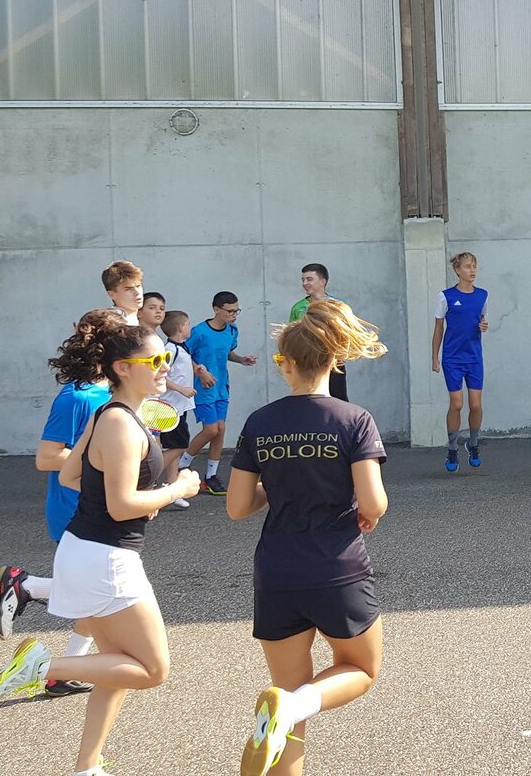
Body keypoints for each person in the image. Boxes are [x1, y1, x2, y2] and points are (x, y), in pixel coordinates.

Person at [0, 319, 200, 776]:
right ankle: (40, 668)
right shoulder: (119, 422)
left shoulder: (109, 414)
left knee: (116, 666)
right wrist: (176, 489)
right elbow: (121, 506)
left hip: (86, 550)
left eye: (166, 357)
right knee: (152, 669)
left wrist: (137, 498)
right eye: (155, 360)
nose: (165, 366)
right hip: (107, 559)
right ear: (122, 367)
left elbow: (70, 475)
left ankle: (87, 766)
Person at [226, 299, 388, 776]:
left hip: (276, 569)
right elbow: (374, 502)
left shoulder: (260, 422)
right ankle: (294, 706)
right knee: (359, 670)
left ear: (287, 365)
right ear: (334, 359)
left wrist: (280, 483)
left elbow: (237, 506)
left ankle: (288, 710)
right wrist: (365, 511)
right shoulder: (353, 419)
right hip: (336, 566)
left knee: (287, 701)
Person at [0, 309, 121, 701]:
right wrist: (105, 462)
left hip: (108, 508)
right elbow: (47, 457)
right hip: (77, 510)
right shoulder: (76, 398)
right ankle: (27, 587)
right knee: (104, 595)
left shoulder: (112, 395)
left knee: (98, 597)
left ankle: (60, 672)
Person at [181, 292, 257, 494]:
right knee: (211, 430)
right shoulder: (199, 332)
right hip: (203, 388)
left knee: (220, 429)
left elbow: (227, 352)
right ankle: (182, 464)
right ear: (216, 309)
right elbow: (184, 355)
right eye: (230, 311)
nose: (234, 315)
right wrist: (200, 372)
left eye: (236, 311)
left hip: (222, 387)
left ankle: (211, 476)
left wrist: (241, 359)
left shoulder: (232, 330)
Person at [431, 252, 489, 472]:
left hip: (474, 358)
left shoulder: (482, 295)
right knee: (456, 404)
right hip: (452, 358)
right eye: (467, 267)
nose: (471, 271)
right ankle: (452, 447)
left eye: (474, 266)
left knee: (475, 405)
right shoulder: (445, 296)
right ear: (457, 270)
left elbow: (481, 320)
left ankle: (473, 444)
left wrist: (483, 325)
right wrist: (434, 357)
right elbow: (439, 328)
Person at [289, 263, 348, 402]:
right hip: (307, 362)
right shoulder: (298, 308)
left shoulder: (337, 305)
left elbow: (346, 333)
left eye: (309, 279)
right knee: (309, 400)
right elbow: (291, 335)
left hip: (333, 361)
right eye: (303, 280)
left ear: (323, 282)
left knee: (338, 399)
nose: (305, 283)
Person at [158, 310, 198, 487]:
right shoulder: (170, 350)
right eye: (188, 324)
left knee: (175, 446)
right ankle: (146, 477)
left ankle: (172, 484)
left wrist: (197, 370)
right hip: (169, 406)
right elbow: (160, 375)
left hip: (179, 407)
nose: (190, 327)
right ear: (181, 327)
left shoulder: (181, 348)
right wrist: (181, 389)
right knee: (180, 445)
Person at [101, 261, 143, 327]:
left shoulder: (145, 319)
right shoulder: (109, 324)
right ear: (111, 294)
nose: (137, 292)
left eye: (138, 286)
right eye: (128, 289)